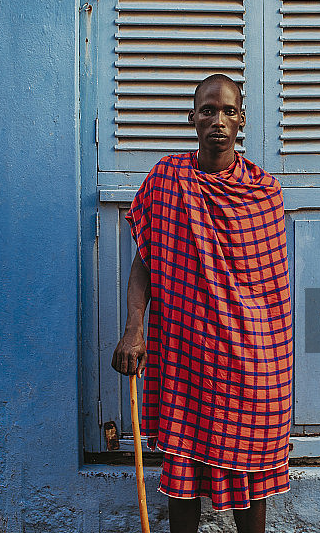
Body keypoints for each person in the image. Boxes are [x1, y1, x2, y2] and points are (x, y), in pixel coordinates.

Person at [112, 74, 293, 533]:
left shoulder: (263, 193)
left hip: (250, 360)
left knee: (249, 474)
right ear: (192, 118)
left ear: (242, 120)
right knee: (183, 473)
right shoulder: (167, 180)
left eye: (229, 111)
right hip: (185, 357)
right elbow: (145, 261)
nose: (218, 120)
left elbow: (271, 294)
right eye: (208, 111)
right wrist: (134, 327)